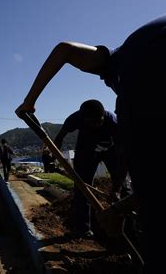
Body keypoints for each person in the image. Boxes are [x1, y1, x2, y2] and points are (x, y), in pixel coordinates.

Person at [16, 9, 166, 273]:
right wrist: (56, 149)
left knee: (157, 190)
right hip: (95, 146)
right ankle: (92, 227)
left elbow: (64, 49)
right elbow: (63, 133)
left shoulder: (120, 62)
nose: (112, 87)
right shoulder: (113, 71)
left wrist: (30, 102)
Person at [53, 99, 126, 237]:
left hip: (111, 151)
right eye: (90, 123)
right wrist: (52, 154)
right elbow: (60, 137)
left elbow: (124, 160)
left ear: (103, 116)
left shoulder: (115, 124)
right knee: (82, 187)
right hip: (86, 150)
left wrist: (116, 189)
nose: (95, 125)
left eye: (98, 121)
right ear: (83, 119)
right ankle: (82, 229)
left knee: (123, 189)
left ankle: (127, 231)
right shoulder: (75, 119)